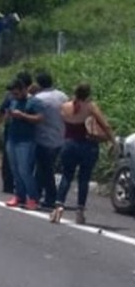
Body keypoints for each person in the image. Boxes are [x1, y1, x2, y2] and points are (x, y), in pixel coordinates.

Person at [50, 84, 116, 224]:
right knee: (84, 179)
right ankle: (80, 211)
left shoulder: (65, 107)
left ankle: (58, 206)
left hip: (69, 144)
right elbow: (105, 125)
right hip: (87, 145)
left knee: (67, 175)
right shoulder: (90, 107)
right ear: (88, 94)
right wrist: (113, 141)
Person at [2, 78, 43, 210]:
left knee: (25, 170)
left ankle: (33, 198)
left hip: (26, 141)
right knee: (14, 169)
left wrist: (23, 116)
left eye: (17, 93)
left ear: (24, 90)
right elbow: (5, 116)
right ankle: (19, 196)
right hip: (12, 138)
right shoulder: (13, 101)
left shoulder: (34, 102)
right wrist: (8, 116)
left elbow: (39, 118)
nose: (15, 96)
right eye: (13, 94)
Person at [0, 71, 33, 194]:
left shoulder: (10, 96)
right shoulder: (33, 98)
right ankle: (24, 187)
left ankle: (8, 185)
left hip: (11, 130)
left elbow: (0, 113)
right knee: (25, 162)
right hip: (28, 133)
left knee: (9, 159)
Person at [32, 72, 68, 209]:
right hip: (60, 137)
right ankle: (37, 193)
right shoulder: (62, 96)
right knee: (44, 168)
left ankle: (51, 197)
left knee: (45, 169)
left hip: (43, 138)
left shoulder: (38, 98)